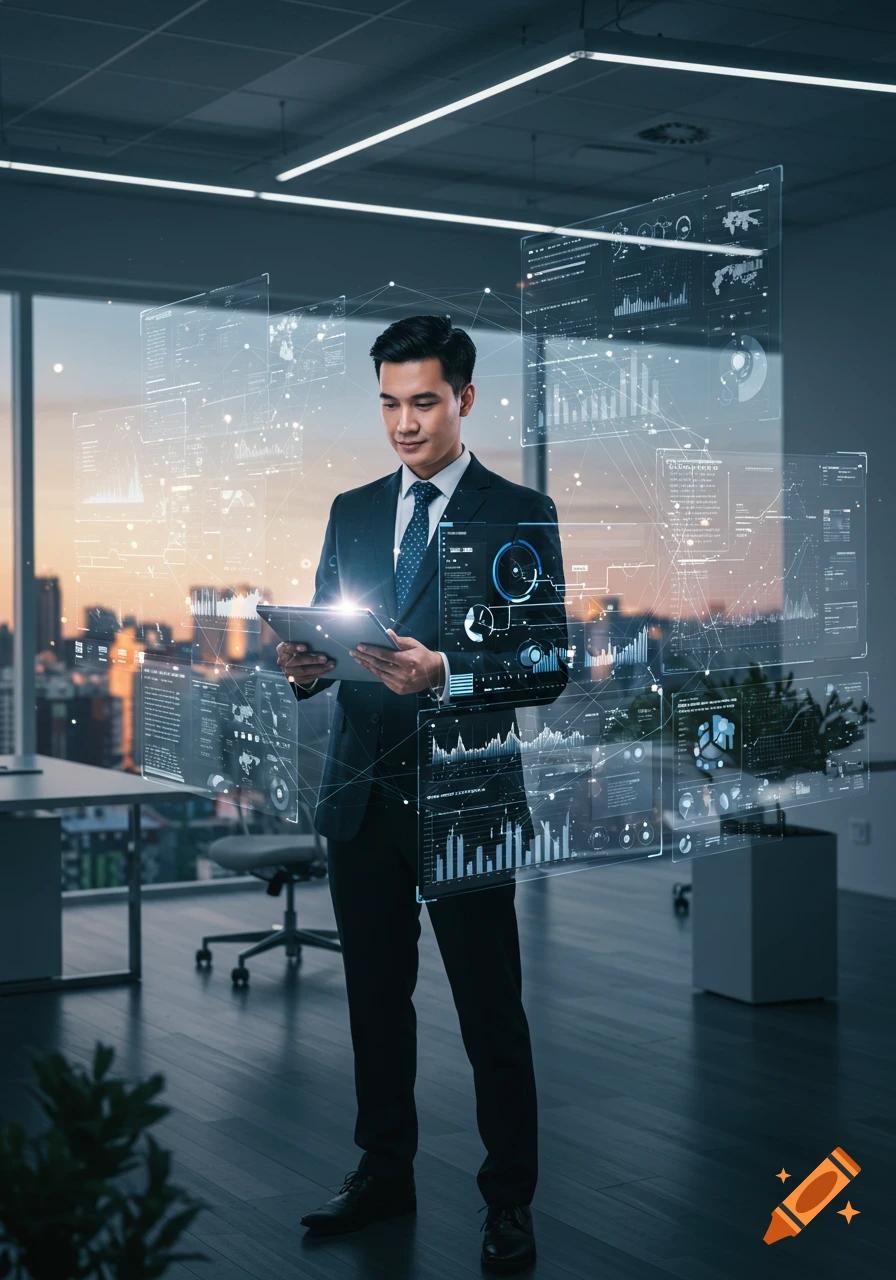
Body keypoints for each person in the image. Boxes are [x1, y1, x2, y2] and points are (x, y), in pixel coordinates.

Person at [277, 315, 566, 1273]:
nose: (404, 423)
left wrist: (447, 671)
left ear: (465, 400)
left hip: (465, 799)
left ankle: (509, 1201)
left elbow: (545, 663)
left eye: (424, 402)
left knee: (492, 1011)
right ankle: (383, 1171)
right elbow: (333, 633)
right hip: (361, 797)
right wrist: (305, 666)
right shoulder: (351, 507)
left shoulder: (518, 510)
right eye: (391, 403)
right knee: (374, 1001)